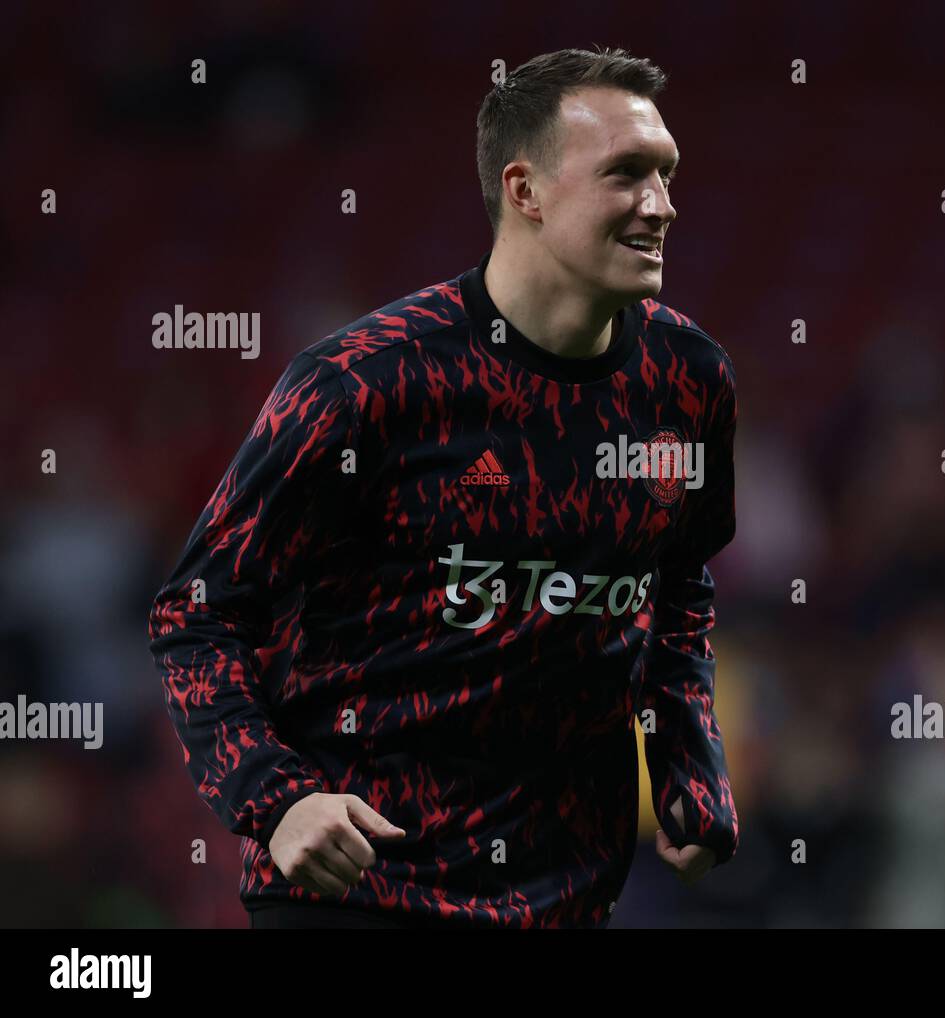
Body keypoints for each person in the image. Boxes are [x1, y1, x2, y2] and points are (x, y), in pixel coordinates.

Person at [146, 46, 740, 929]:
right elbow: (194, 615)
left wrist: (687, 749)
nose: (660, 205)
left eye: (667, 175)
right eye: (626, 175)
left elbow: (678, 582)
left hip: (567, 897)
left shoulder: (688, 380)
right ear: (525, 191)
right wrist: (274, 801)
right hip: (362, 890)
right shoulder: (366, 381)